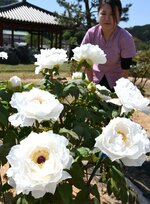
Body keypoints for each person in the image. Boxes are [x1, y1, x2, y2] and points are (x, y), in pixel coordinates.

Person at [81, 0, 136, 91]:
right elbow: (86, 62)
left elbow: (125, 69)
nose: (107, 18)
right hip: (94, 79)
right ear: (98, 14)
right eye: (103, 13)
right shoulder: (91, 33)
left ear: (119, 16)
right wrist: (91, 86)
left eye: (112, 14)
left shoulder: (125, 38)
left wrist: (119, 92)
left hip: (117, 82)